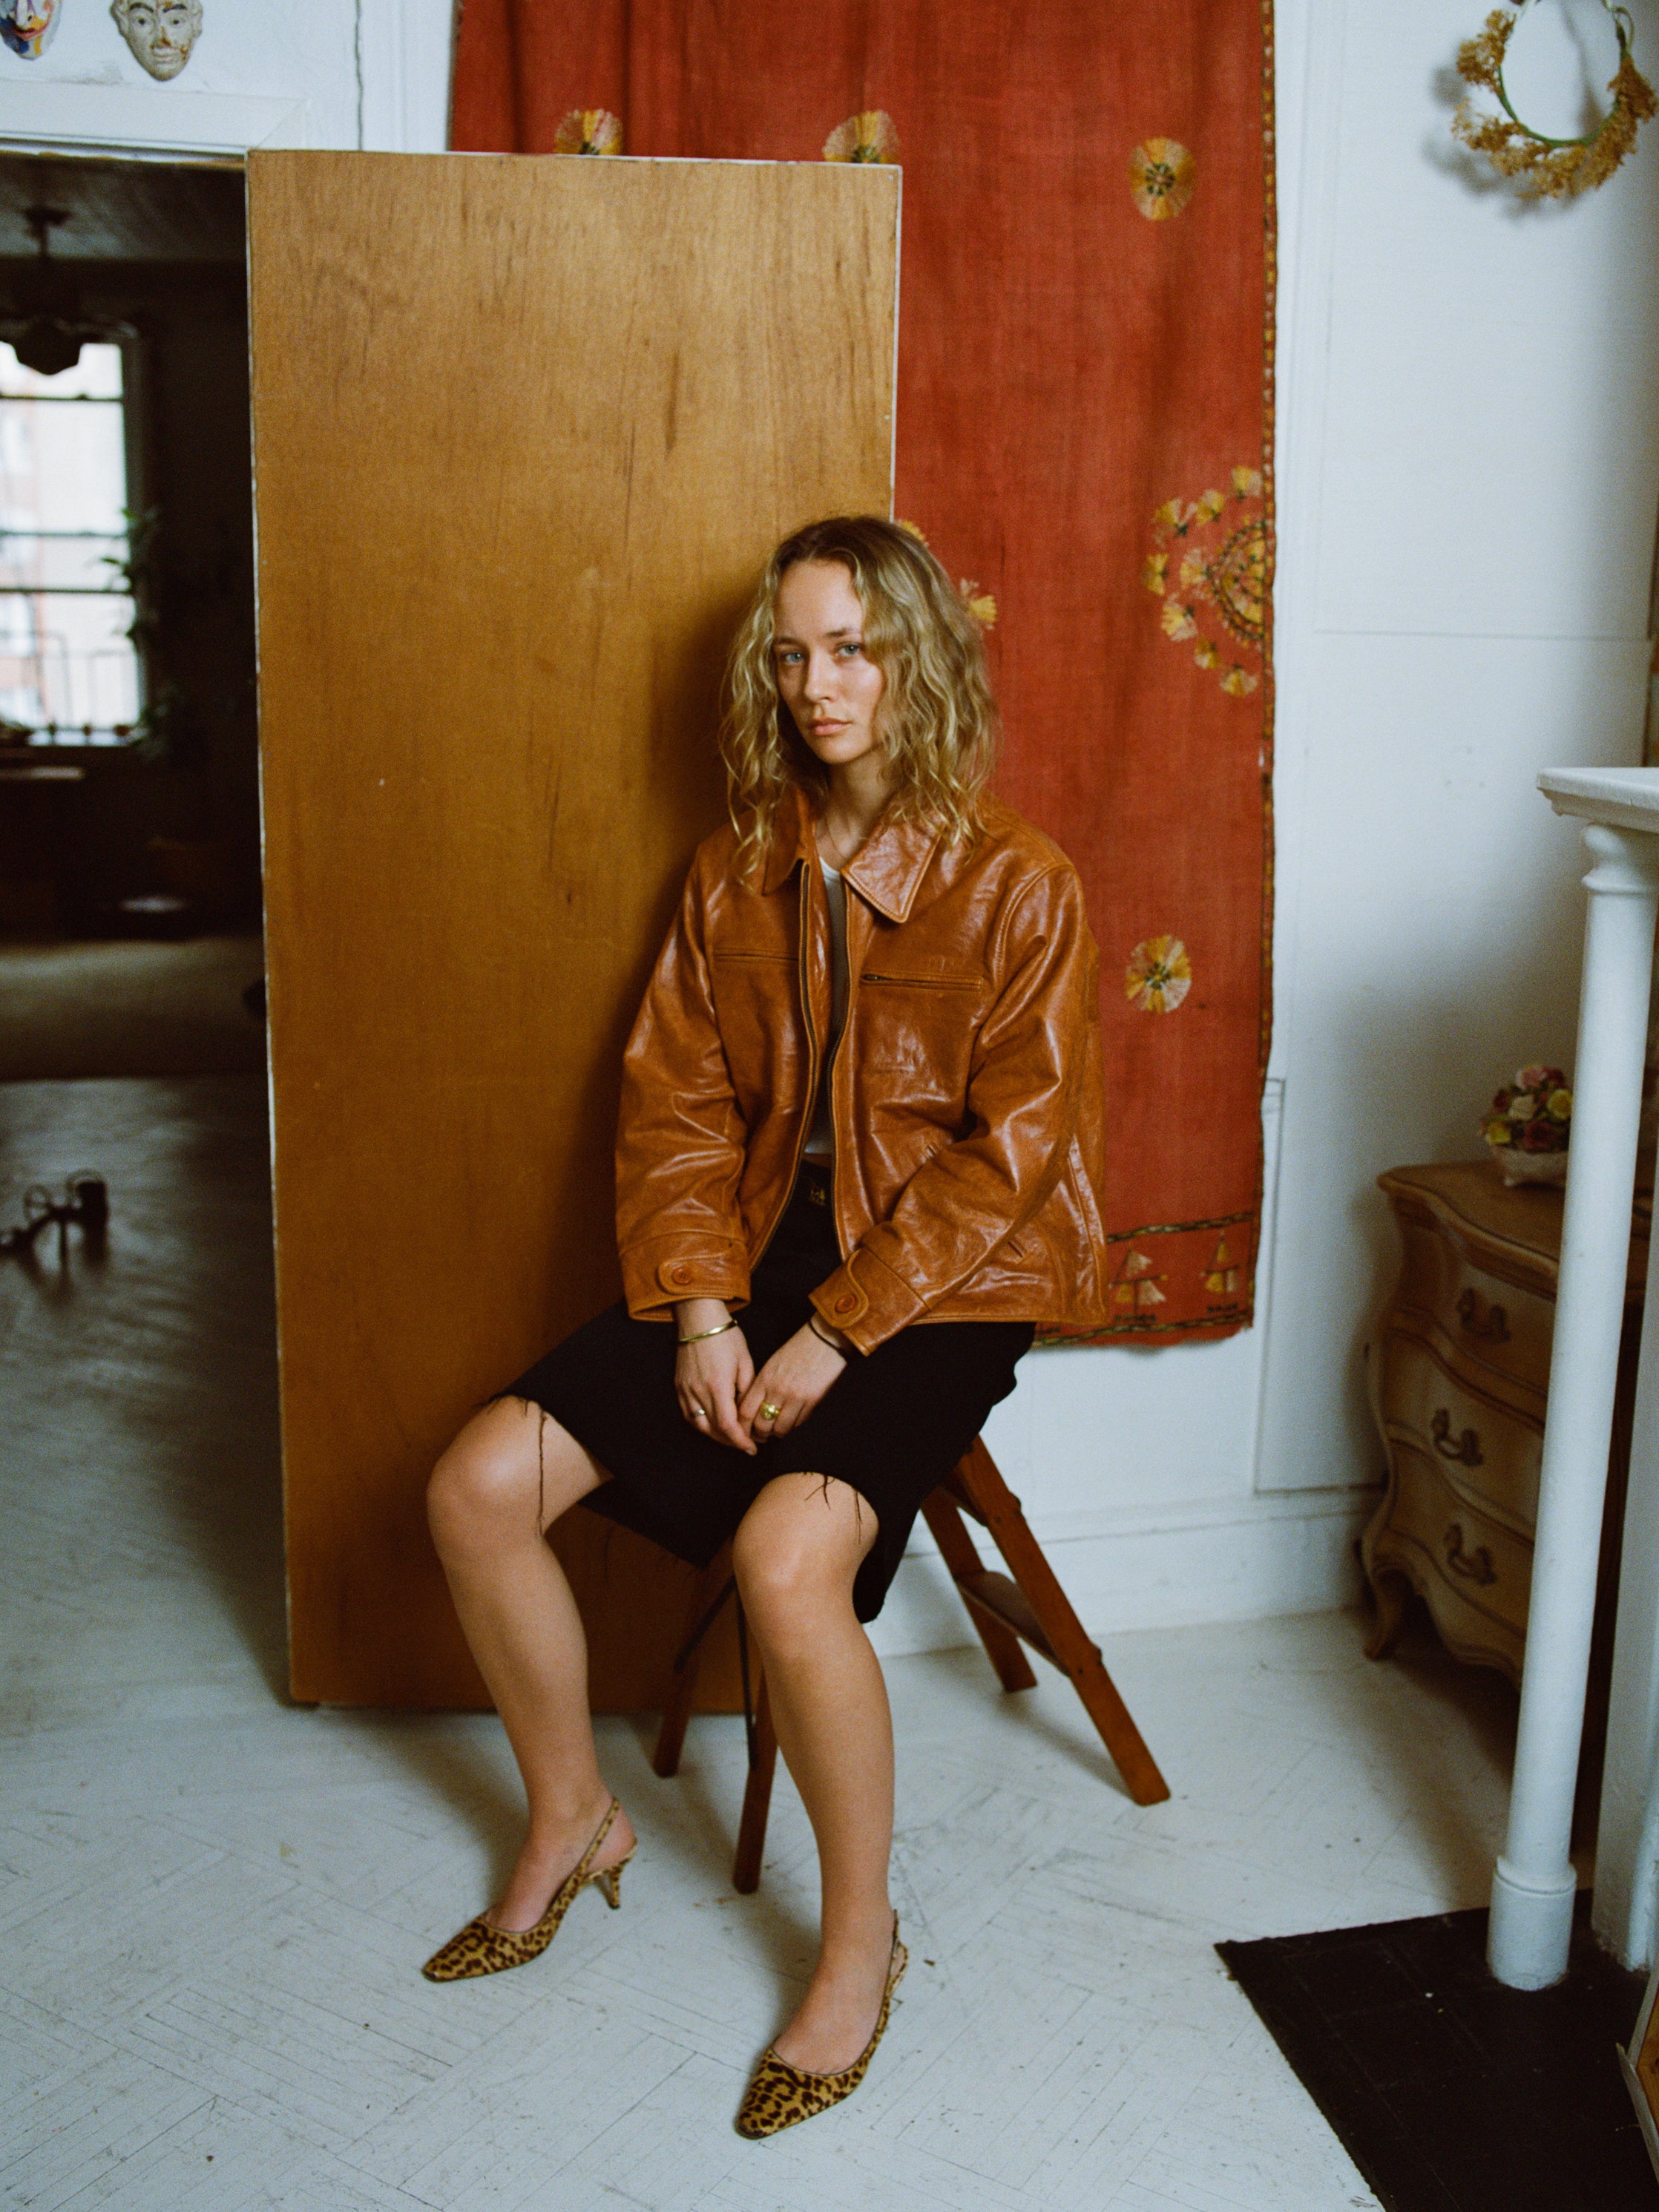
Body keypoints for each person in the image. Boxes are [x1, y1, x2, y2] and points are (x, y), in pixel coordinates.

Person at [422, 515, 1111, 2136]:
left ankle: (858, 1944)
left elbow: (1011, 1164)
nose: (819, 685)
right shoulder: (736, 864)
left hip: (950, 1282)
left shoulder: (1020, 884)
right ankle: (570, 1818)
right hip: (751, 1260)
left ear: (919, 657)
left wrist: (836, 1336)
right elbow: (669, 1106)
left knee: (784, 1557)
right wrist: (706, 1311)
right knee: (470, 1487)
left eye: (855, 647)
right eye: (792, 653)